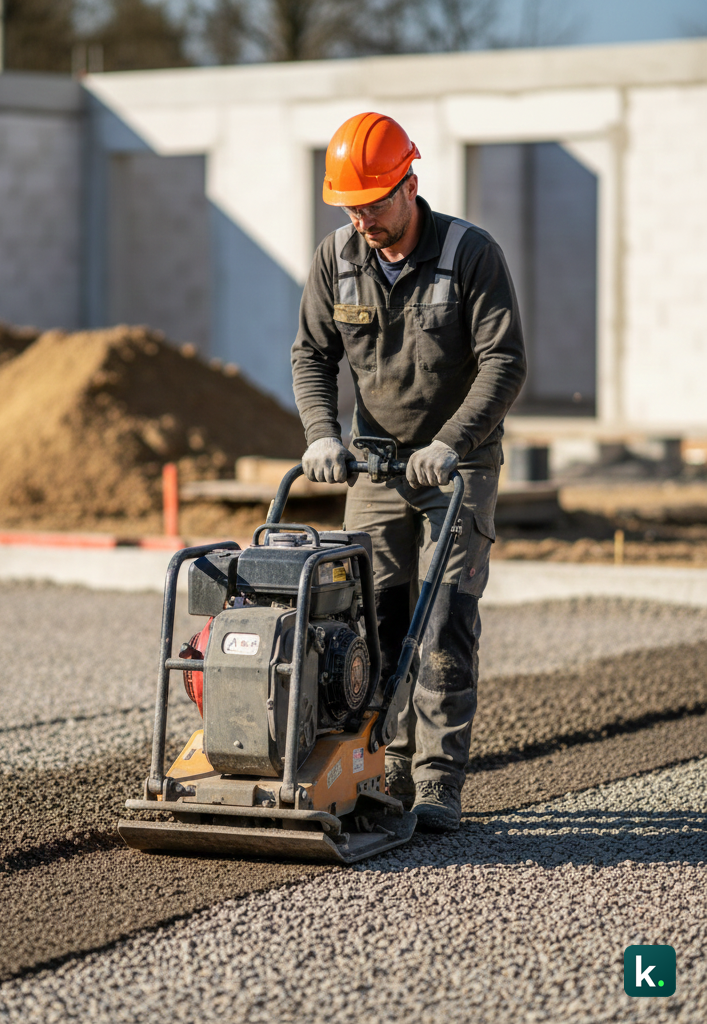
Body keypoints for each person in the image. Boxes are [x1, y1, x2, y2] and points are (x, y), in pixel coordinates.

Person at [291, 111, 527, 832]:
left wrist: (453, 441)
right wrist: (322, 434)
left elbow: (505, 363)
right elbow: (312, 355)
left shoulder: (470, 254)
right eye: (351, 207)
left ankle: (438, 783)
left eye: (373, 204)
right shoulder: (337, 258)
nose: (363, 220)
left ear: (409, 185)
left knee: (447, 616)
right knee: (370, 621)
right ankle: (380, 765)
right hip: (375, 467)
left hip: (459, 469)